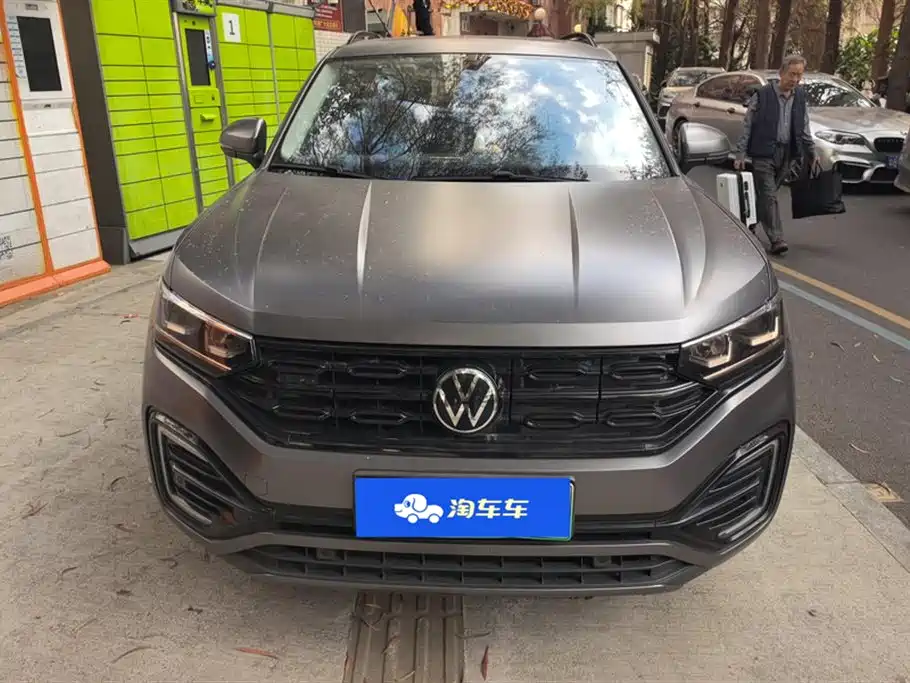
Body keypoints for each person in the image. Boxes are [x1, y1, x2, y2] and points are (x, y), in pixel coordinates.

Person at [734, 54, 820, 256]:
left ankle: (746, 226)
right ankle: (777, 239)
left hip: (787, 154)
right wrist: (740, 153)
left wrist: (811, 151)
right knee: (769, 194)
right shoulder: (763, 95)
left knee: (766, 196)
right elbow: (748, 125)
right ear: (782, 73)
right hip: (764, 153)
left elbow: (804, 126)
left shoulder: (799, 97)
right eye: (792, 74)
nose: (795, 79)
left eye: (799, 75)